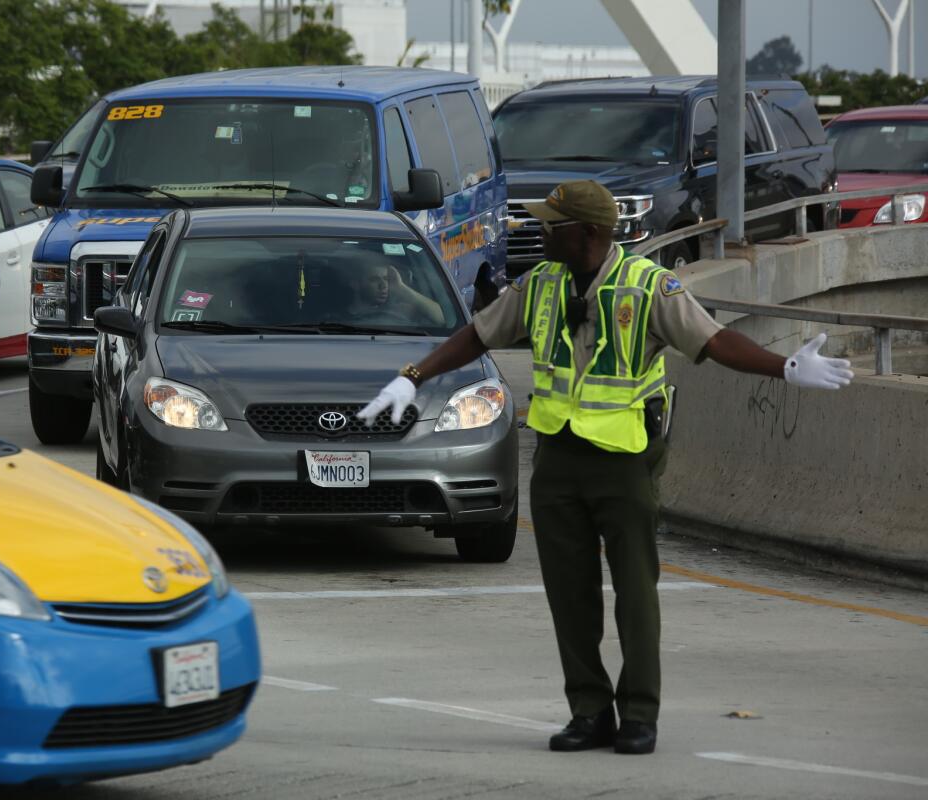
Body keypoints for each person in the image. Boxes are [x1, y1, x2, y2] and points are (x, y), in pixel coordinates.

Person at [357, 180, 852, 755]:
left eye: (552, 224)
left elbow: (714, 342)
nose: (540, 231)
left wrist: (785, 368)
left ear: (587, 233)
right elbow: (479, 333)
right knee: (569, 594)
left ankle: (639, 713)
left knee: (635, 592)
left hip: (625, 459)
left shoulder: (648, 287)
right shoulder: (540, 284)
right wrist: (412, 376)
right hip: (558, 458)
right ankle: (588, 711)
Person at [340, 258, 445, 326]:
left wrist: (401, 288)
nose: (383, 285)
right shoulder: (338, 320)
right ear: (355, 284)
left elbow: (442, 319)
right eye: (374, 280)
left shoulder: (398, 312)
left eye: (386, 279)